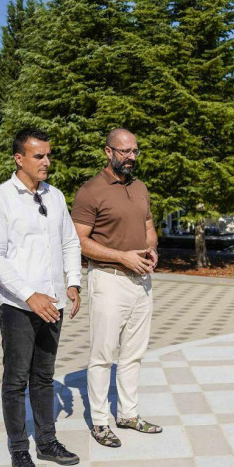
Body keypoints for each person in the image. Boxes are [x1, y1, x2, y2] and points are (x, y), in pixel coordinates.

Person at [0, 128, 82, 467]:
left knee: (44, 376)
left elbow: (69, 242)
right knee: (16, 379)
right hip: (18, 306)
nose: (46, 162)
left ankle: (47, 441)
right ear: (19, 159)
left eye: (48, 155)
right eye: (39, 156)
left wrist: (72, 282)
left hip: (53, 303)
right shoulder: (0, 199)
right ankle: (19, 449)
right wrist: (28, 294)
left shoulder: (55, 196)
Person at [72, 128, 160, 448]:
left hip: (141, 280)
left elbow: (149, 228)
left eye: (135, 151)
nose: (132, 157)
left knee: (134, 354)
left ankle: (129, 413)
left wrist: (151, 249)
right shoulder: (90, 191)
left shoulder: (140, 188)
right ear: (108, 152)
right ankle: (99, 421)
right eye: (125, 152)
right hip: (108, 280)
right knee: (102, 355)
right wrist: (122, 256)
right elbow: (80, 242)